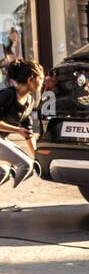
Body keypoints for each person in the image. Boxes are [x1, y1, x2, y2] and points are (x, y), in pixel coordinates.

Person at [0, 58, 43, 189]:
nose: (43, 81)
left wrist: (37, 157)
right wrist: (16, 130)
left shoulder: (29, 101)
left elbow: (28, 132)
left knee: (3, 172)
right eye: (40, 78)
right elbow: (20, 130)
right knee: (25, 165)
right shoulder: (6, 95)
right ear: (31, 79)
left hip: (2, 139)